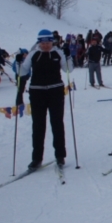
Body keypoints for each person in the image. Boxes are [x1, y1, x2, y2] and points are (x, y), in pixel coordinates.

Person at [18, 29, 72, 169]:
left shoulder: (57, 52)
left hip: (56, 91)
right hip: (37, 93)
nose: (46, 45)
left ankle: (60, 156)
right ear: (39, 42)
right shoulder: (33, 53)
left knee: (57, 124)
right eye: (43, 43)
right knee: (38, 126)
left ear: (52, 42)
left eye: (48, 42)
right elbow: (23, 71)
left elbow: (68, 70)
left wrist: (68, 56)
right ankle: (36, 158)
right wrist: (19, 61)